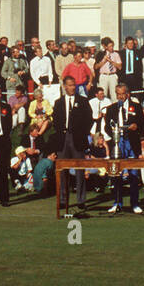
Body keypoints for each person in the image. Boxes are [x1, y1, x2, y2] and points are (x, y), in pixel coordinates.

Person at [51, 75, 93, 213]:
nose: (72, 88)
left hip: (77, 139)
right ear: (64, 86)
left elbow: (89, 119)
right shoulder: (58, 103)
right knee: (62, 171)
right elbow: (55, 121)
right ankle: (63, 199)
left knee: (80, 170)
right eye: (69, 85)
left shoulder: (83, 101)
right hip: (63, 139)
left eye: (74, 85)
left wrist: (81, 133)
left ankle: (81, 200)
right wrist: (60, 132)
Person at [105, 83, 144, 214]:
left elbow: (143, 126)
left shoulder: (137, 107)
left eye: (122, 94)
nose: (120, 97)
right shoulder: (111, 108)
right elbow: (106, 127)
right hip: (118, 142)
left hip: (131, 142)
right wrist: (114, 133)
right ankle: (117, 202)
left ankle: (134, 203)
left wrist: (136, 126)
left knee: (133, 174)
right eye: (118, 94)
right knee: (116, 173)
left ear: (127, 94)